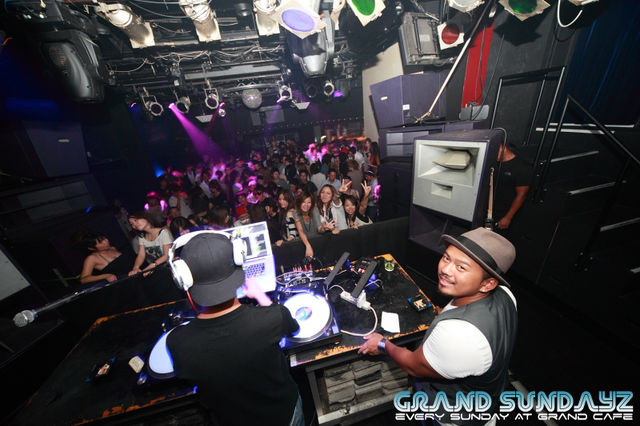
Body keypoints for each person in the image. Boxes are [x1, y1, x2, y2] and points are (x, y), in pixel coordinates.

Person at [358, 228, 517, 425]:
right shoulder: (506, 295)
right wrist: (446, 313)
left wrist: (382, 344)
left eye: (461, 267)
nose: (446, 269)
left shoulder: (459, 335)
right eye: (447, 258)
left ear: (488, 283)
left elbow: (413, 365)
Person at [165, 232, 303, 426]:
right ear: (240, 262)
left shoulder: (177, 343)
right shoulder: (273, 317)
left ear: (183, 278)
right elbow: (294, 329)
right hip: (284, 415)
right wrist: (261, 297)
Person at [493, 143, 532, 232]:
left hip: (503, 212)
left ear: (502, 148)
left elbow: (521, 195)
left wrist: (508, 217)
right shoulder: (494, 163)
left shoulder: (523, 167)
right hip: (489, 209)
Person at [128, 211, 174, 276]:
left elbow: (167, 255)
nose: (134, 225)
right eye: (132, 224)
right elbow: (141, 255)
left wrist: (152, 265)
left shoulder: (163, 233)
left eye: (135, 220)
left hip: (170, 268)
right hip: (158, 271)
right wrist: (135, 268)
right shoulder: (142, 237)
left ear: (145, 217)